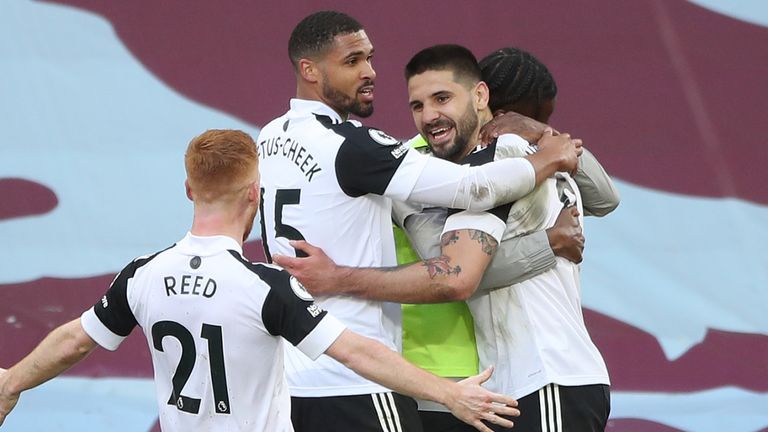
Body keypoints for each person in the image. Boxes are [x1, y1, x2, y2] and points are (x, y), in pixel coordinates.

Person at [0, 129, 524, 432]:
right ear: (256, 193)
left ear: (188, 189)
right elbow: (357, 353)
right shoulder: (264, 287)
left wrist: (12, 381)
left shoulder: (143, 275)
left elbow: (74, 339)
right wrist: (449, 395)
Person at [257, 11, 582, 432]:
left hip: (296, 378)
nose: (371, 72)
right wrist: (546, 159)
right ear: (310, 70)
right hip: (363, 378)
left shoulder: (268, 138)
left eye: (370, 58)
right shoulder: (355, 147)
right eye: (353, 61)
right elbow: (473, 189)